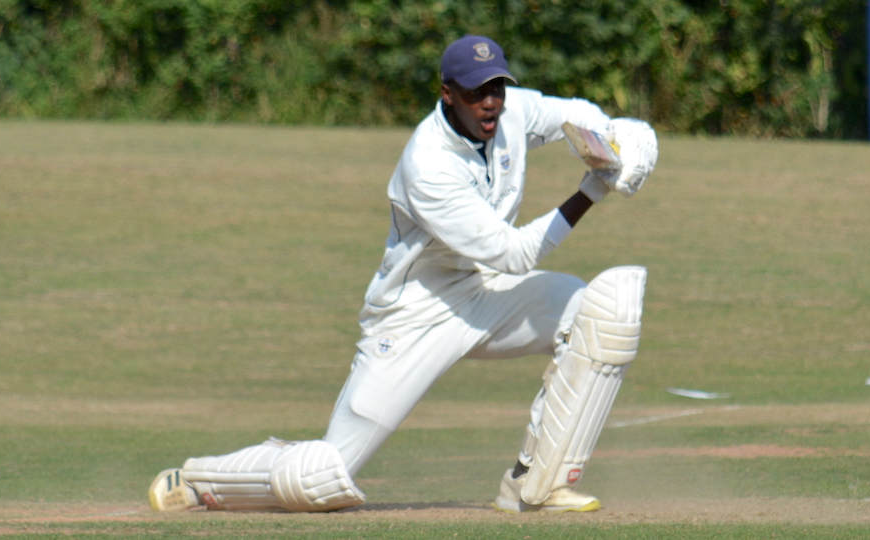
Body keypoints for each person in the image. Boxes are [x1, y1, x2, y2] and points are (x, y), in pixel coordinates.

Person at [148, 35, 658, 514]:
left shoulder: (512, 111)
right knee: (321, 477)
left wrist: (613, 139)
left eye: (497, 88)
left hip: (485, 294)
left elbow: (573, 114)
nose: (491, 103)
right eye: (476, 92)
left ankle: (535, 487)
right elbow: (515, 254)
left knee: (601, 312)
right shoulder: (429, 164)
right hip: (414, 314)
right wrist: (594, 188)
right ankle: (199, 480)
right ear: (447, 93)